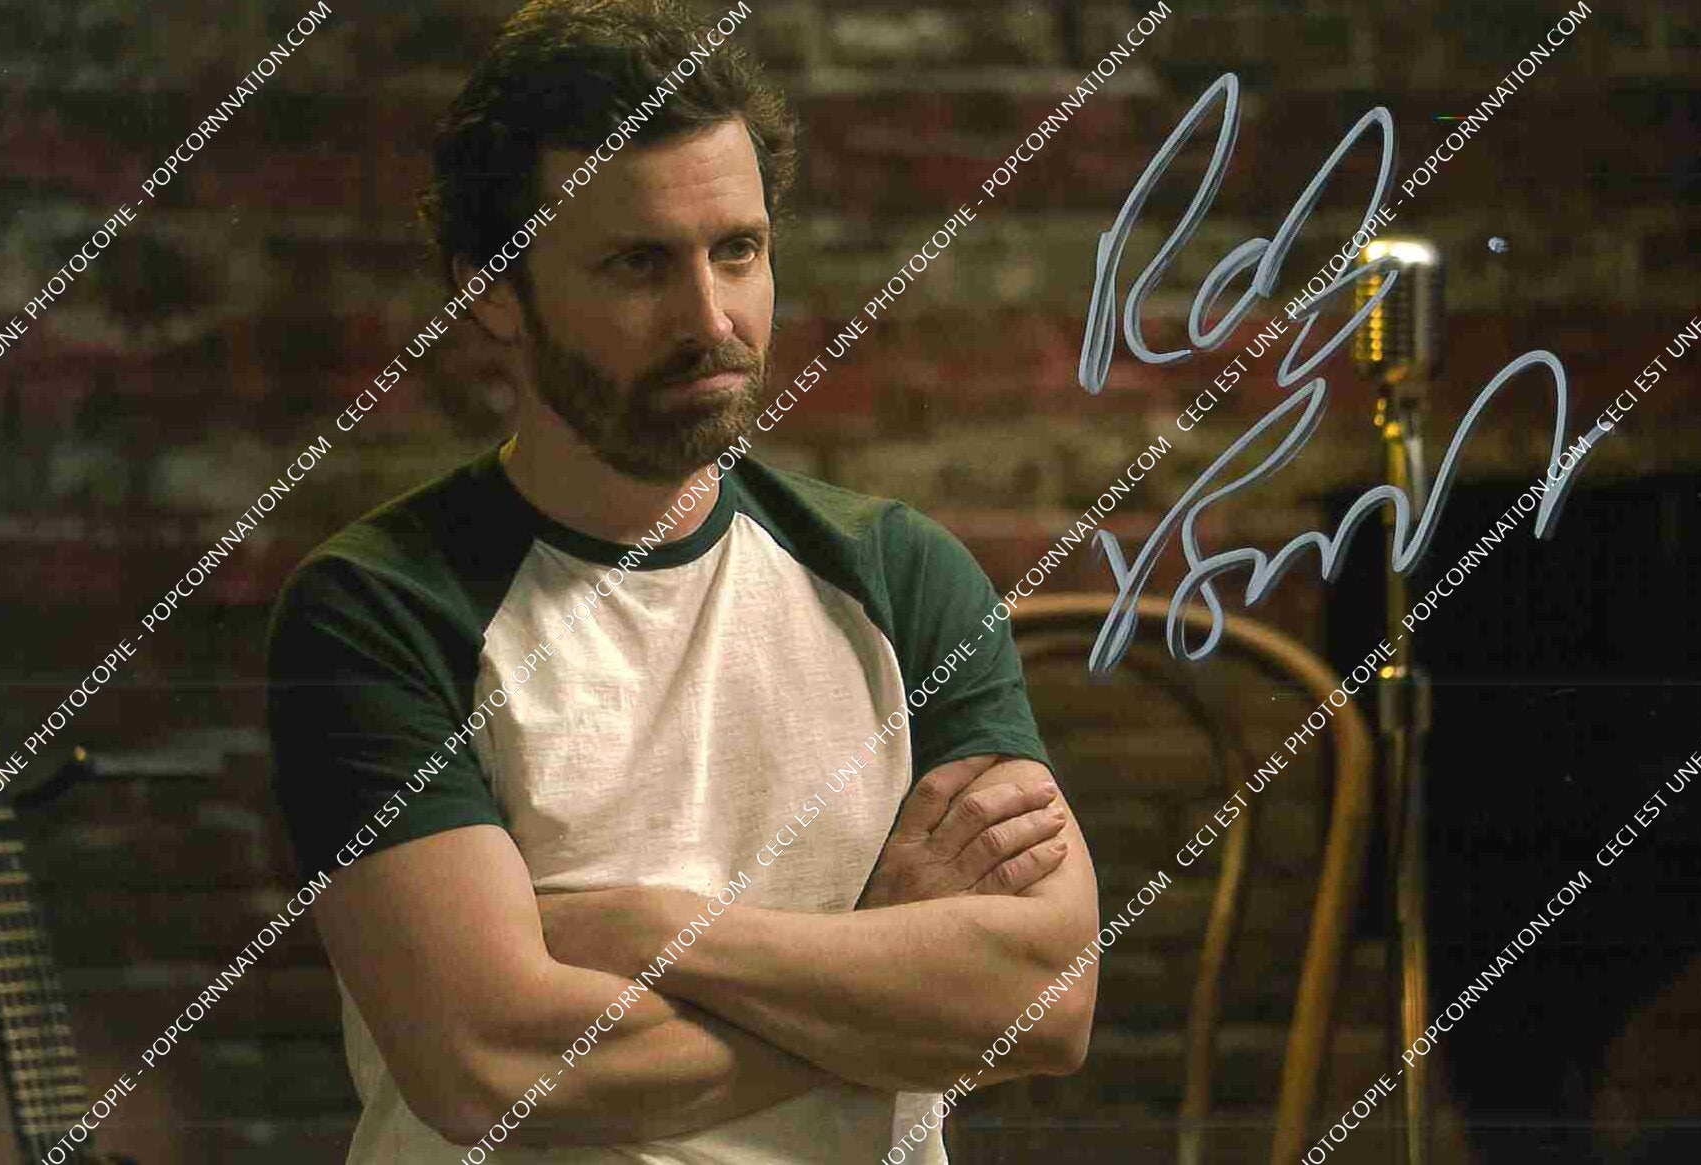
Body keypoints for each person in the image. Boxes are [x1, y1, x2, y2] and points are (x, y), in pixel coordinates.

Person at [265, 2, 1100, 1160]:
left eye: (738, 251)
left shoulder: (900, 574)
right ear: (494, 288)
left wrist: (656, 929)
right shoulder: (380, 610)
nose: (710, 321)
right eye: (638, 264)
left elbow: (1047, 1002)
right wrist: (886, 984)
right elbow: (491, 1065)